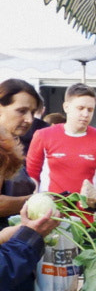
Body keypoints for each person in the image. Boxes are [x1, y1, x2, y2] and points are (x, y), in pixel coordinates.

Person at [26, 83, 96, 206]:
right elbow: (31, 175)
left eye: (90, 110)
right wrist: (35, 204)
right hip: (50, 215)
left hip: (87, 218)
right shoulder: (43, 135)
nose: (85, 114)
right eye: (80, 108)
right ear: (66, 107)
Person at [0, 79, 40, 219]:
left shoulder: (10, 147)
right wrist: (38, 201)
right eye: (21, 111)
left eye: (33, 112)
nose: (29, 119)